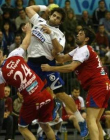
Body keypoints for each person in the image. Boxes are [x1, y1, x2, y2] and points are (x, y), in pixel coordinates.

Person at [0, 23, 57, 140]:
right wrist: (28, 32)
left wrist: (0, 63)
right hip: (44, 92)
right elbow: (25, 43)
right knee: (45, 125)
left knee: (22, 128)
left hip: (31, 99)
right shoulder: (13, 55)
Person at [25, 5, 88, 138]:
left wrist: (51, 33)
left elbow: (58, 49)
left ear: (60, 22)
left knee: (62, 94)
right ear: (50, 15)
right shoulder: (39, 21)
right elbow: (28, 9)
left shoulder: (60, 34)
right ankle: (52, 107)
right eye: (54, 15)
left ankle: (81, 121)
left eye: (58, 18)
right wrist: (44, 7)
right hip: (31, 64)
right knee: (36, 95)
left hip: (47, 64)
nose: (55, 18)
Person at [41, 27, 110, 140]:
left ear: (87, 39)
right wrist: (54, 48)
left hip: (97, 84)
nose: (77, 35)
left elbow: (71, 67)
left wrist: (50, 68)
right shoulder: (78, 49)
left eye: (81, 34)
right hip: (105, 85)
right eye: (78, 33)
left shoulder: (84, 49)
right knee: (96, 121)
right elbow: (61, 59)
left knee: (90, 120)